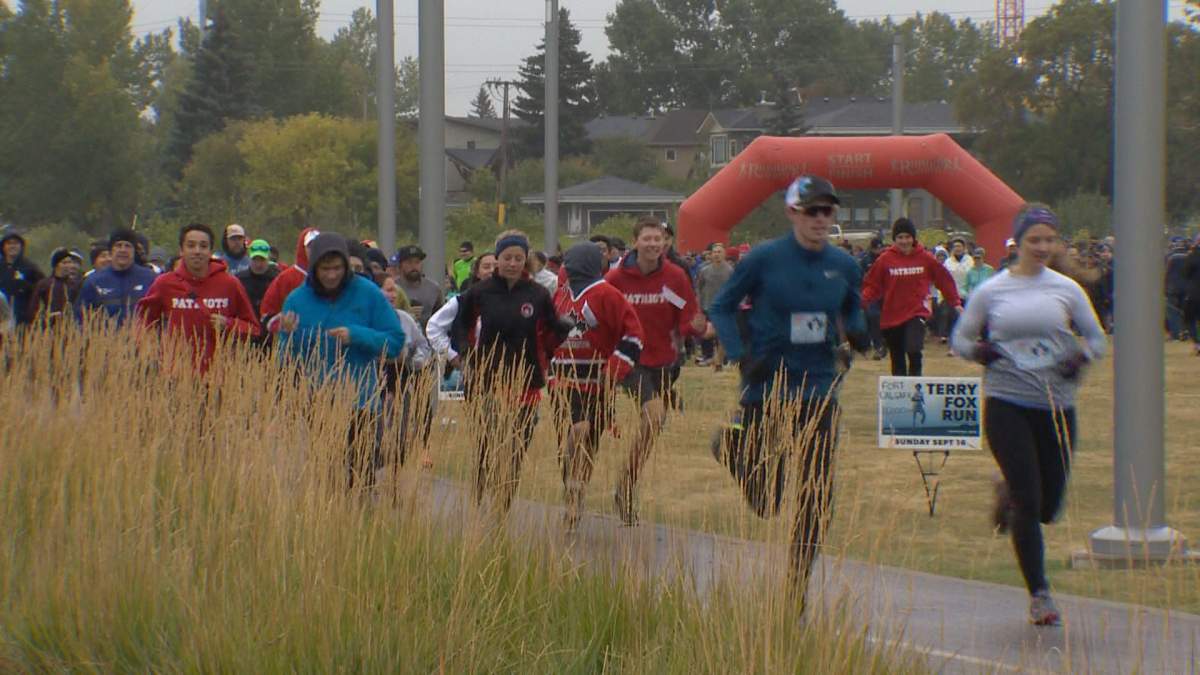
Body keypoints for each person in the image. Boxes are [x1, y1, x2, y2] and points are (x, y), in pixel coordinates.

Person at [708, 174, 868, 603]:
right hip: (767, 385)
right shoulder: (764, 259)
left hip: (819, 389)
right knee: (768, 500)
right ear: (792, 212)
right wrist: (741, 354)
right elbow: (720, 306)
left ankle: (796, 586)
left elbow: (853, 306)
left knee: (816, 493)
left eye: (827, 211)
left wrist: (857, 333)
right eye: (811, 210)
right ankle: (730, 446)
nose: (820, 218)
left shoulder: (845, 264)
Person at [951, 204, 1106, 626]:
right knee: (1029, 496)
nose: (1041, 247)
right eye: (1033, 240)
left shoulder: (1067, 289)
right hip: (1007, 402)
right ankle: (1040, 594)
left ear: (1056, 243)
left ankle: (1011, 495)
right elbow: (960, 338)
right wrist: (981, 352)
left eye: (1048, 240)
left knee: (1049, 505)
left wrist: (1081, 358)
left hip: (1056, 405)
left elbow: (1096, 338)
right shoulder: (993, 290)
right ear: (1017, 242)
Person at [449, 231, 569, 514]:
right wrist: (465, 354)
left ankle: (504, 504)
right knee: (487, 441)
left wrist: (555, 345)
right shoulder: (479, 292)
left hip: (526, 378)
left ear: (525, 260)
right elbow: (460, 326)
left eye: (518, 258)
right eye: (506, 258)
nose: (512, 263)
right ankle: (479, 498)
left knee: (517, 445)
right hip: (486, 378)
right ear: (498, 259)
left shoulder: (538, 294)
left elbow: (552, 330)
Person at [277, 233, 406, 490]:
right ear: (314, 269)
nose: (331, 275)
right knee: (328, 477)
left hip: (362, 400)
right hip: (320, 401)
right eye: (325, 269)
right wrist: (287, 336)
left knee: (360, 477)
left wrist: (356, 335)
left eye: (337, 268)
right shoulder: (297, 300)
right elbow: (286, 359)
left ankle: (359, 521)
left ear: (346, 266)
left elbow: (395, 342)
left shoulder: (367, 293)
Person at [605, 216, 701, 525]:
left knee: (654, 426)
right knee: (655, 415)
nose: (653, 244)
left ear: (665, 243)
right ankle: (625, 489)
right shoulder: (616, 278)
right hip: (630, 359)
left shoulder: (675, 276)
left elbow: (686, 316)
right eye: (647, 239)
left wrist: (698, 328)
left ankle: (625, 484)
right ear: (635, 242)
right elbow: (600, 312)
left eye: (658, 239)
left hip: (664, 360)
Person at [550, 242, 644, 529]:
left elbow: (633, 335)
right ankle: (571, 488)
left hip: (597, 381)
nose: (570, 267)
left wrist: (615, 368)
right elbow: (546, 332)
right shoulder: (560, 296)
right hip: (562, 381)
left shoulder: (607, 295)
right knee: (574, 433)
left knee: (588, 441)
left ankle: (577, 490)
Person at [137, 224, 261, 374]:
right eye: (191, 245)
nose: (197, 251)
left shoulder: (230, 284)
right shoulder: (165, 283)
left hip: (220, 378)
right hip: (175, 375)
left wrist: (229, 324)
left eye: (203, 246)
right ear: (181, 250)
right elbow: (143, 321)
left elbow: (253, 329)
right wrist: (152, 352)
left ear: (210, 252)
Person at [861, 218, 962, 376]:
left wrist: (955, 302)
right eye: (900, 237)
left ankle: (916, 392)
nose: (904, 241)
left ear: (913, 238)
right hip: (892, 316)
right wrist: (861, 303)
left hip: (916, 313)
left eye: (908, 237)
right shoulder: (885, 260)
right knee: (897, 358)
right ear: (894, 239)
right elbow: (872, 285)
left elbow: (943, 279)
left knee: (914, 350)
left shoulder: (925, 258)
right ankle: (900, 396)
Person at [77, 229, 160, 326]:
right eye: (118, 245)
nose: (123, 250)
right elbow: (80, 319)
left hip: (141, 339)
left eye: (128, 246)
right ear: (111, 251)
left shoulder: (150, 278)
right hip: (104, 339)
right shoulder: (94, 281)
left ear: (134, 251)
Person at [259, 227, 320, 330]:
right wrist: (282, 325)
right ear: (302, 248)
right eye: (310, 246)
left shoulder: (331, 275)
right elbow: (266, 314)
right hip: (291, 341)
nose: (315, 250)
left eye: (318, 246)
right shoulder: (286, 278)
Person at [696, 243, 733, 367]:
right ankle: (707, 356)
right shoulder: (704, 270)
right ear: (711, 255)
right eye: (714, 252)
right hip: (707, 306)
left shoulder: (730, 271)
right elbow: (699, 287)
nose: (716, 254)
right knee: (705, 332)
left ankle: (723, 358)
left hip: (723, 307)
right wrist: (699, 303)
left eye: (719, 252)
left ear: (724, 254)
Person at [27, 248, 83, 328]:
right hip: (48, 328)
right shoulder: (44, 285)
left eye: (70, 262)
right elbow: (33, 310)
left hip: (70, 328)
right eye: (64, 263)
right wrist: (47, 317)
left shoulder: (75, 285)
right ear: (56, 265)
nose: (69, 266)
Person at [391, 245, 444, 328]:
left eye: (417, 262)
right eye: (409, 262)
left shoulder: (433, 288)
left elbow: (441, 318)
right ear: (400, 265)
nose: (414, 266)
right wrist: (406, 313)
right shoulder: (392, 287)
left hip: (427, 337)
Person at [0, 230, 44, 327]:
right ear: (3, 247)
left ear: (21, 246)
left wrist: (25, 286)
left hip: (23, 318)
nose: (12, 246)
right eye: (9, 243)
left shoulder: (30, 267)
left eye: (16, 243)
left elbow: (41, 288)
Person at [236, 239, 279, 320]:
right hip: (247, 327)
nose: (258, 264)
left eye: (262, 259)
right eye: (255, 259)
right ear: (249, 258)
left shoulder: (277, 279)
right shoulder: (239, 280)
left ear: (268, 259)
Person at [1183, 236, 1200, 355]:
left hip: (1194, 294)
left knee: (1190, 320)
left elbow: (1185, 273)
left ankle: (1197, 344)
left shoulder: (1192, 256)